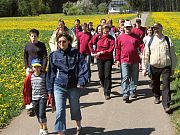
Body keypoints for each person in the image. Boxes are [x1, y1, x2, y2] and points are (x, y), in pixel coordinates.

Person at [46, 33, 88, 135]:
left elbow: (83, 68)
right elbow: (51, 74)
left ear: (68, 42)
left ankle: (78, 125)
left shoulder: (76, 53)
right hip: (59, 85)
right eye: (59, 42)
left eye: (64, 41)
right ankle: (61, 132)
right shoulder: (54, 55)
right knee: (60, 111)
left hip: (74, 86)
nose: (61, 43)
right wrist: (49, 91)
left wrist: (81, 81)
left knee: (75, 108)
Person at [142, 23, 177, 113]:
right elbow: (145, 55)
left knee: (166, 86)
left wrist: (173, 68)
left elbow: (173, 55)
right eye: (154, 29)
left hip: (166, 67)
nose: (156, 30)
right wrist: (144, 68)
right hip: (154, 66)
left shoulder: (167, 40)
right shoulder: (150, 41)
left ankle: (166, 105)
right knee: (155, 84)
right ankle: (157, 96)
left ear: (161, 28)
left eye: (157, 28)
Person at [115, 21, 141, 102]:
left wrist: (143, 53)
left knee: (134, 77)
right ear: (124, 28)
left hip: (135, 60)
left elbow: (141, 45)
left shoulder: (136, 37)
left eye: (129, 27)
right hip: (124, 60)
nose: (128, 29)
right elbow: (117, 49)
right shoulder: (120, 37)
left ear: (131, 28)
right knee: (125, 77)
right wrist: (117, 60)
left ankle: (132, 90)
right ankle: (125, 93)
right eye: (126, 27)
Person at [24, 29, 48, 116]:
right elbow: (25, 57)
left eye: (35, 36)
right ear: (29, 36)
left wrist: (43, 67)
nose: (33, 38)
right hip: (30, 69)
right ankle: (30, 106)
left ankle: (44, 101)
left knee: (41, 85)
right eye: (32, 36)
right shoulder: (27, 46)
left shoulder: (41, 45)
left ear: (38, 36)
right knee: (28, 87)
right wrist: (27, 67)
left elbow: (45, 57)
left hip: (40, 69)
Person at [89, 24, 115, 100]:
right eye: (105, 30)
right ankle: (103, 84)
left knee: (107, 75)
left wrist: (102, 52)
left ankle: (107, 92)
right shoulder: (98, 37)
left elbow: (111, 49)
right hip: (99, 58)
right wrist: (93, 52)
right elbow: (90, 43)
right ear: (102, 30)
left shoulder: (111, 38)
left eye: (108, 31)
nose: (106, 32)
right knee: (101, 74)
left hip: (108, 58)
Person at [31, 58, 49, 135]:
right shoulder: (30, 77)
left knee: (42, 113)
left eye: (38, 67)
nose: (37, 68)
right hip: (34, 98)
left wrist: (50, 97)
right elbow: (28, 88)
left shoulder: (44, 75)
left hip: (43, 97)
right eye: (35, 67)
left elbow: (48, 86)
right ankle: (41, 126)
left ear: (41, 67)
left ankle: (45, 128)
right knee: (37, 113)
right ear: (32, 68)